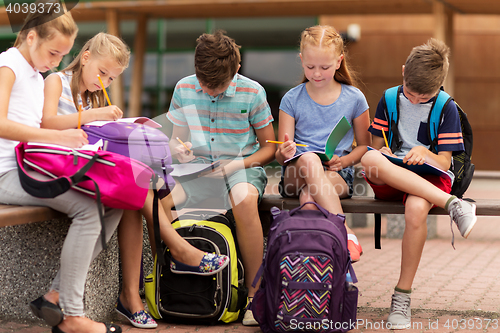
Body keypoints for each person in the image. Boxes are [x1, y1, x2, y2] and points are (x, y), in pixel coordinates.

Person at [41, 32, 230, 329]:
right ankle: (177, 251)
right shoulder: (56, 81)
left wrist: (169, 148)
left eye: (113, 78)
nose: (105, 81)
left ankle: (133, 295)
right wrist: (92, 116)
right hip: (59, 167)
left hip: (86, 168)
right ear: (86, 58)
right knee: (134, 185)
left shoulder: (93, 97)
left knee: (133, 188)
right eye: (102, 72)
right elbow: (46, 123)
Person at [0, 4, 123, 333]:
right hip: (7, 172)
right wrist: (55, 135)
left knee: (113, 203)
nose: (55, 63)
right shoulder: (8, 64)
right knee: (88, 206)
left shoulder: (34, 73)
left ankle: (55, 295)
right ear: (30, 37)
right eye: (53, 53)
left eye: (61, 56)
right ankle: (71, 316)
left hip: (29, 165)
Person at [360, 38, 477, 329]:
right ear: (403, 73)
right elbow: (376, 146)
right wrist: (386, 152)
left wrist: (426, 152)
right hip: (391, 174)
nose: (415, 100)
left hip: (429, 176)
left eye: (423, 97)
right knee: (369, 159)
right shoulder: (388, 99)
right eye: (411, 93)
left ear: (439, 86)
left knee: (415, 210)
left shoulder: (446, 106)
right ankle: (454, 205)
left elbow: (445, 162)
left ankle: (402, 297)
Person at [163, 30, 276, 326]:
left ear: (237, 69)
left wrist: (235, 164)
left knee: (243, 200)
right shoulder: (183, 88)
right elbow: (176, 140)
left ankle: (255, 295)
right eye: (205, 84)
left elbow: (269, 149)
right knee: (157, 201)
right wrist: (180, 151)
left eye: (219, 86)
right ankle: (162, 280)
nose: (211, 91)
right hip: (196, 171)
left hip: (242, 168)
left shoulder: (253, 92)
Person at [274, 25, 370, 263]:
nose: (316, 73)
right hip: (296, 174)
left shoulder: (354, 98)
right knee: (308, 159)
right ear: (301, 60)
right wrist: (284, 151)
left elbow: (365, 147)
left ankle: (320, 262)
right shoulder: (291, 99)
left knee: (309, 197)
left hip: (337, 175)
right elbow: (280, 156)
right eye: (310, 67)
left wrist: (344, 160)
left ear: (339, 61)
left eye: (324, 67)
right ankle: (344, 231)